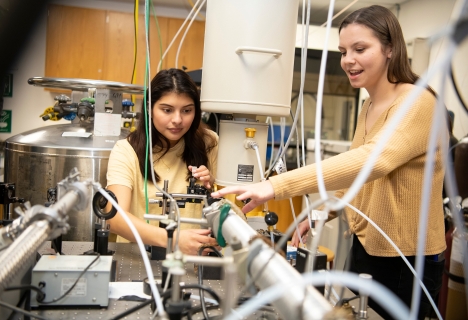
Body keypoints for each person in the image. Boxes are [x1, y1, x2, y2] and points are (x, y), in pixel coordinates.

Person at [211, 5, 445, 320]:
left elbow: (372, 162)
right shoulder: (370, 104)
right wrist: (324, 213)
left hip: (407, 257)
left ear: (391, 48)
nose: (348, 59)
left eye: (360, 49)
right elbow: (360, 180)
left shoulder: (419, 101)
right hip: (366, 245)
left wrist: (275, 185)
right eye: (343, 51)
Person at [106, 68, 219, 255]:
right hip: (138, 258)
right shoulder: (126, 151)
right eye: (167, 110)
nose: (177, 120)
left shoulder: (209, 143)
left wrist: (213, 186)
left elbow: (227, 205)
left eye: (187, 110)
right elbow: (114, 216)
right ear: (150, 108)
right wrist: (172, 239)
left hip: (194, 258)